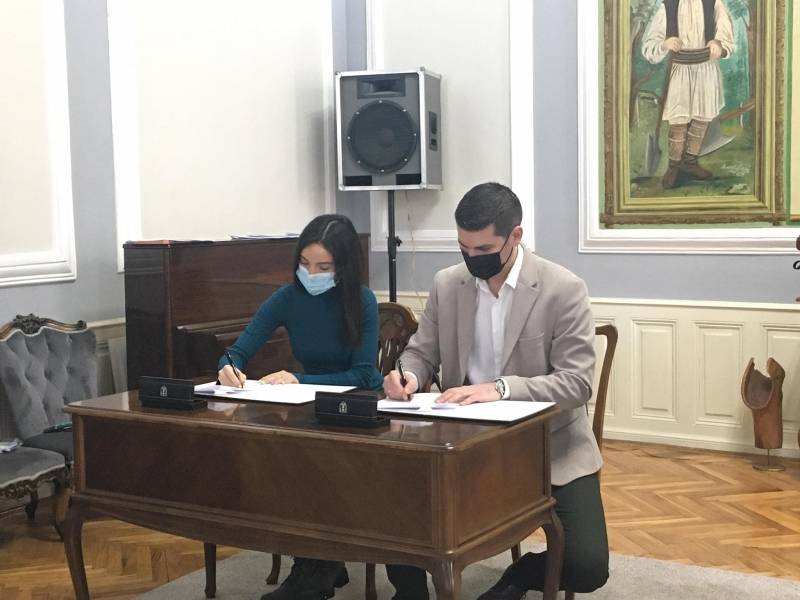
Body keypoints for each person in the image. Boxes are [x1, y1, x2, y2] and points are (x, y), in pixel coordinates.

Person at [383, 183, 609, 600]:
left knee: (587, 566)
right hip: (461, 442)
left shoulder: (563, 288)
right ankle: (409, 592)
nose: (473, 258)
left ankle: (522, 574)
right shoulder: (448, 283)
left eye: (484, 248)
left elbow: (576, 383)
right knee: (397, 501)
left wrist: (502, 389)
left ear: (515, 236)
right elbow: (420, 353)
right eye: (464, 248)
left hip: (549, 447)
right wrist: (408, 375)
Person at [218, 214, 383, 600]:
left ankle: (314, 571)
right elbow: (238, 349)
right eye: (305, 264)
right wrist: (228, 366)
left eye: (324, 267)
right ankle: (320, 563)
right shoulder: (287, 297)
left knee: (317, 467)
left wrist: (299, 379)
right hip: (309, 407)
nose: (312, 274)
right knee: (282, 463)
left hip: (357, 408)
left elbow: (363, 374)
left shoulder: (362, 300)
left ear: (344, 266)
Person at [641, 0, 735, 189]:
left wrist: (719, 44)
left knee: (702, 119)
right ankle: (674, 166)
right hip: (680, 69)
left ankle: (690, 163)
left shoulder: (714, 3)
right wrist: (664, 44)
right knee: (678, 121)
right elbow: (650, 44)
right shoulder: (668, 5)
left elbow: (726, 35)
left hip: (706, 68)